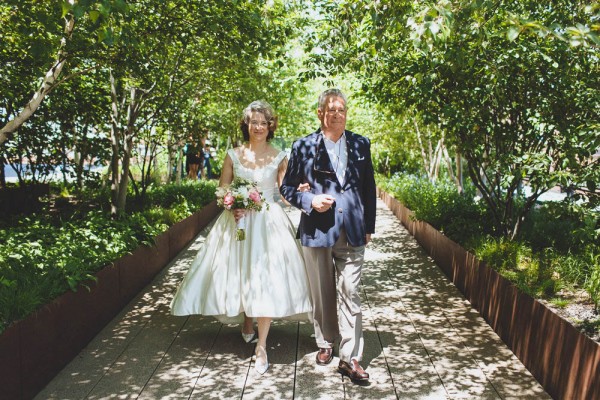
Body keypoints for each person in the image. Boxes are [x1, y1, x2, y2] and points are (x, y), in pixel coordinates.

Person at [170, 100, 312, 375]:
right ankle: (247, 318)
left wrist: (301, 190)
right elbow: (222, 187)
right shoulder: (233, 154)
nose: (258, 127)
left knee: (266, 276)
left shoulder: (280, 155)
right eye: (253, 122)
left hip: (269, 222)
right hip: (237, 222)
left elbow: (284, 193)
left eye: (263, 122)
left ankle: (262, 345)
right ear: (246, 124)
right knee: (241, 270)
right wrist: (232, 203)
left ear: (270, 126)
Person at [280, 88, 376, 382]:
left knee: (351, 292)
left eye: (342, 110)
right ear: (320, 113)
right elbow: (286, 188)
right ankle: (325, 341)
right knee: (322, 294)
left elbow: (369, 188)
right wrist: (309, 201)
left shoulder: (361, 144)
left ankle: (351, 357)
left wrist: (369, 225)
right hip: (317, 230)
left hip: (353, 230)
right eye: (331, 110)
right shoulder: (303, 146)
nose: (338, 114)